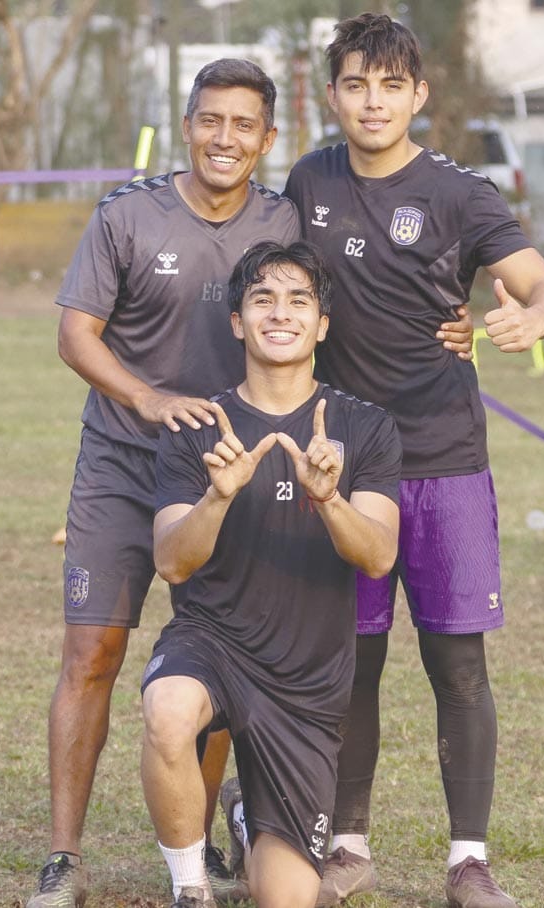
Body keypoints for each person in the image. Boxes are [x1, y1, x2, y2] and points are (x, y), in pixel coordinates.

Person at [282, 13, 544, 908]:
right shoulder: (309, 179)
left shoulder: (460, 194)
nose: (373, 102)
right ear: (332, 94)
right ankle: (346, 846)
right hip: (346, 461)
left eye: (391, 86)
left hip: (445, 457)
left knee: (457, 667)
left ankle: (469, 863)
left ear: (420, 95)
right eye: (356, 84)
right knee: (350, 663)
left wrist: (529, 321)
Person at [25, 59, 302, 908]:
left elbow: (313, 311)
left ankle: (207, 840)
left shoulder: (281, 220)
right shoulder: (128, 213)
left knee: (210, 655)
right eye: (210, 120)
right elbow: (77, 335)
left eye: (244, 124)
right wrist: (146, 397)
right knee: (93, 653)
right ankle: (65, 858)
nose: (226, 138)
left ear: (267, 137)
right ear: (186, 124)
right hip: (119, 462)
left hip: (221, 470)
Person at [141, 240, 402, 908]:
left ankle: (248, 822)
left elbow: (377, 556)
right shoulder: (198, 426)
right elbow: (172, 560)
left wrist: (329, 500)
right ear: (237, 321)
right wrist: (218, 496)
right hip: (215, 643)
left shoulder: (365, 427)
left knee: (285, 899)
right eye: (262, 300)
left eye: (298, 301)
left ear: (322, 324)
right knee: (168, 711)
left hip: (306, 683)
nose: (279, 314)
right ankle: (191, 886)